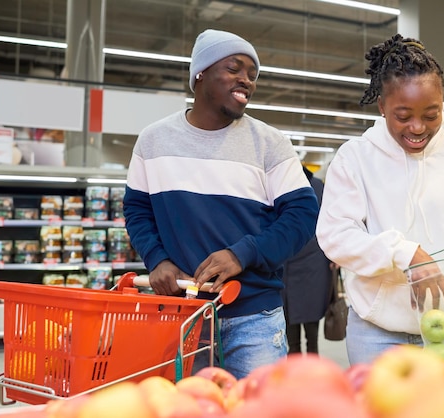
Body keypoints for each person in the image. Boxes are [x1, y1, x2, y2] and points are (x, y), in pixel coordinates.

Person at [315, 33, 444, 366]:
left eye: (431, 115)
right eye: (403, 116)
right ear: (382, 106)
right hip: (379, 335)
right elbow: (336, 235)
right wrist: (405, 254)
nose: (418, 128)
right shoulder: (356, 159)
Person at [123, 29, 319, 379]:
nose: (247, 80)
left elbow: (303, 216)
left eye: (252, 74)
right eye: (234, 68)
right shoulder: (154, 140)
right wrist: (157, 259)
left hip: (255, 317)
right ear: (200, 73)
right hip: (181, 317)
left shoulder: (269, 143)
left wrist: (242, 253)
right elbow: (138, 210)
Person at [281, 165, 334, 354]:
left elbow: (331, 222)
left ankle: (311, 370)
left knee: (310, 318)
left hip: (312, 262)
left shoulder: (318, 186)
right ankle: (296, 367)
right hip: (288, 260)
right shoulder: (282, 184)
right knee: (289, 321)